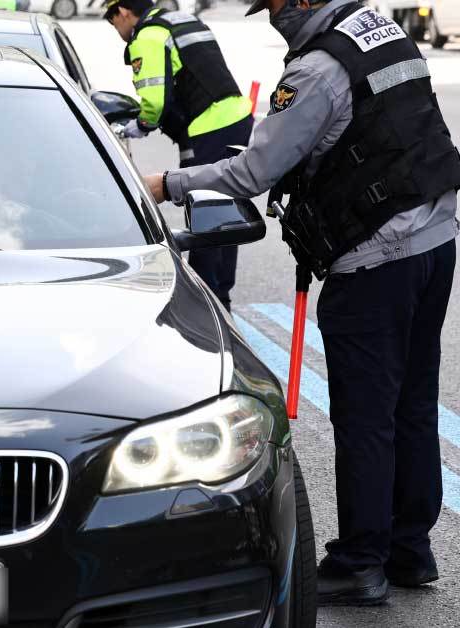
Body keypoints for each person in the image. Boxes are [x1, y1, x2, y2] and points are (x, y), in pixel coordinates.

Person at [143, 0, 460, 607]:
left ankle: (361, 563)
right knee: (413, 405)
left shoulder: (316, 70)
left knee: (366, 417)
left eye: (277, 7)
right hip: (435, 241)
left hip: (376, 260)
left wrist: (169, 184)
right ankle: (409, 551)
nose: (272, 19)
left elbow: (253, 172)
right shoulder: (379, 28)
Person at [103, 0, 254, 310]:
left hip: (208, 127)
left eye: (110, 17)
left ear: (123, 11)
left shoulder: (148, 35)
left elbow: (155, 100)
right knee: (227, 213)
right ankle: (221, 295)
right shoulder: (180, 19)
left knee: (205, 215)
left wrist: (141, 124)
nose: (113, 25)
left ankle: (205, 302)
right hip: (237, 117)